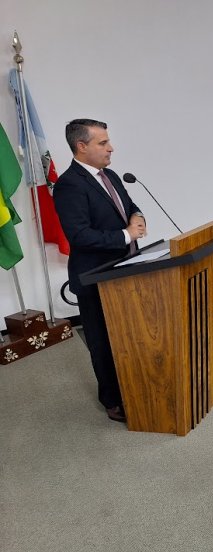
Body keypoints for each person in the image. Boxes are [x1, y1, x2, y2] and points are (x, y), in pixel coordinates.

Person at [53, 119, 147, 423]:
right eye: (103, 142)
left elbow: (130, 206)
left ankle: (136, 387)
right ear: (82, 146)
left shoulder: (112, 175)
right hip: (95, 276)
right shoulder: (69, 184)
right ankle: (113, 400)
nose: (111, 147)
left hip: (125, 269)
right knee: (104, 340)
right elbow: (79, 235)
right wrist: (126, 235)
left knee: (128, 335)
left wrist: (138, 218)